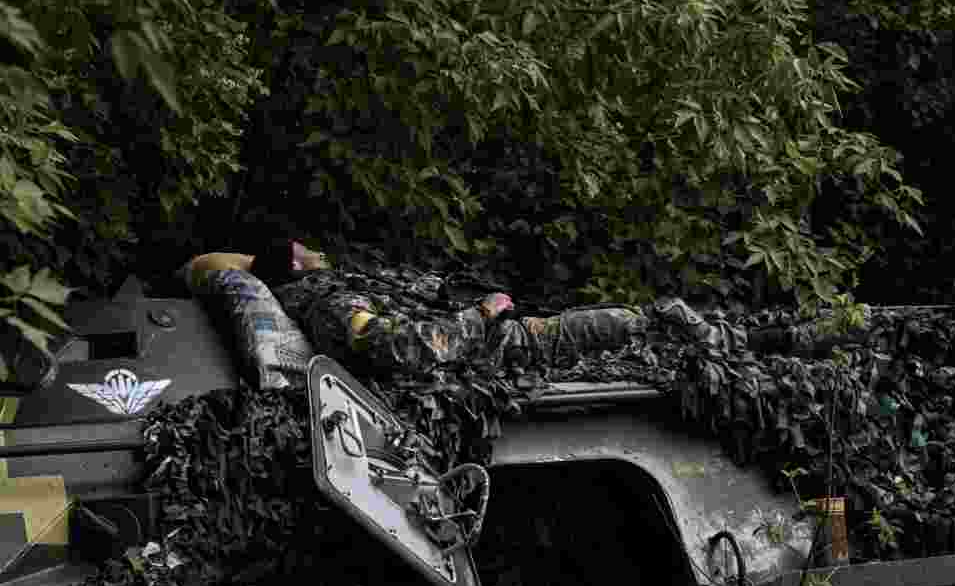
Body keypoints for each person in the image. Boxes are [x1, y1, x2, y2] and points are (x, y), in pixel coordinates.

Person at [182, 239, 797, 377]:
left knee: (644, 326)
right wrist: (483, 313)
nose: (318, 250)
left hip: (505, 344)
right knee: (635, 323)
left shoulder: (336, 288)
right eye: (308, 246)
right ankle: (755, 349)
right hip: (508, 348)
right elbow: (401, 349)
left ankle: (752, 344)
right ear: (294, 258)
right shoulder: (328, 299)